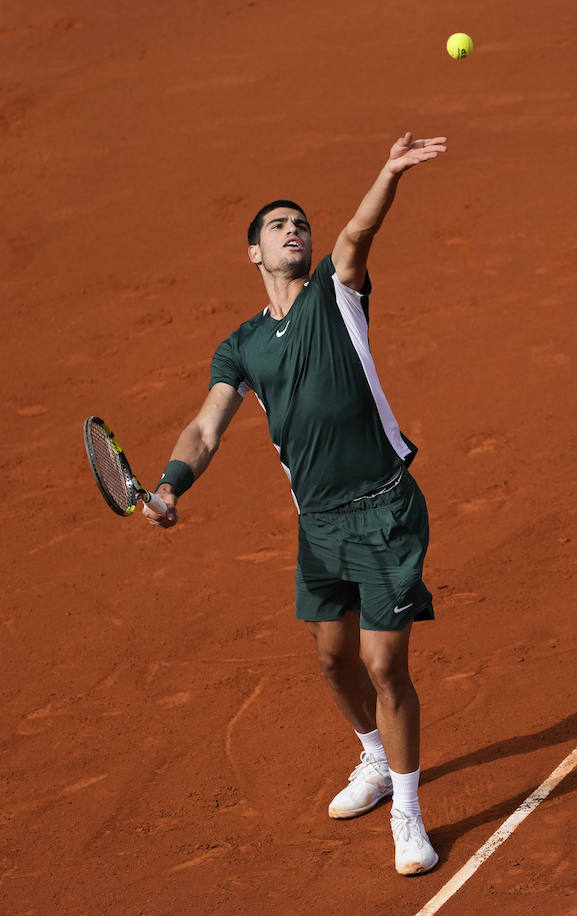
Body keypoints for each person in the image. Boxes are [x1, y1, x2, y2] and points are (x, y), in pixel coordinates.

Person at [143, 132, 448, 876]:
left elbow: (356, 233)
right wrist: (170, 483)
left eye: (299, 224)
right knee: (330, 657)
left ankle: (408, 815)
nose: (294, 230)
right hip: (319, 526)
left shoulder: (335, 294)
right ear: (253, 252)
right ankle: (375, 759)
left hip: (384, 512)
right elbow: (207, 425)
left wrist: (388, 172)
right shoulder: (242, 347)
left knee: (382, 666)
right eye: (278, 225)